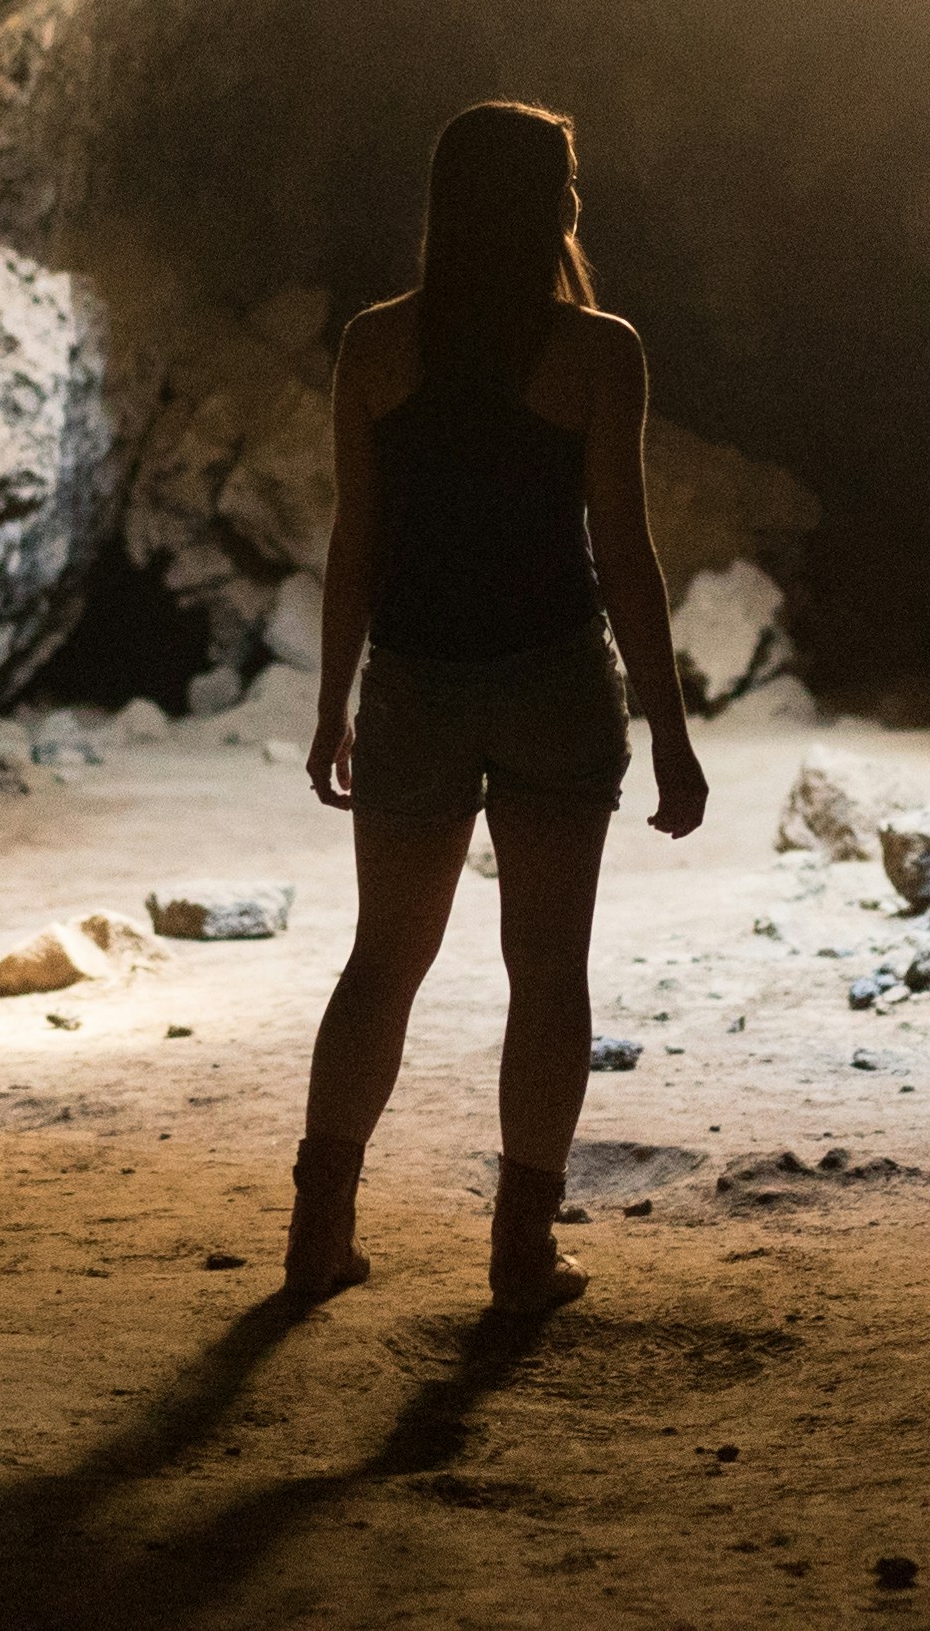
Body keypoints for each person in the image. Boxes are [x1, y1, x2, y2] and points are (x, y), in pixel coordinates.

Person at [281, 99, 709, 1312]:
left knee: (381, 965)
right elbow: (622, 556)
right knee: (548, 972)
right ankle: (520, 1251)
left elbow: (356, 541)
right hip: (554, 684)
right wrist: (671, 737)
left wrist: (332, 705)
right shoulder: (598, 351)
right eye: (568, 178)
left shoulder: (372, 346)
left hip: (413, 681)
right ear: (549, 205)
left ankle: (319, 1234)